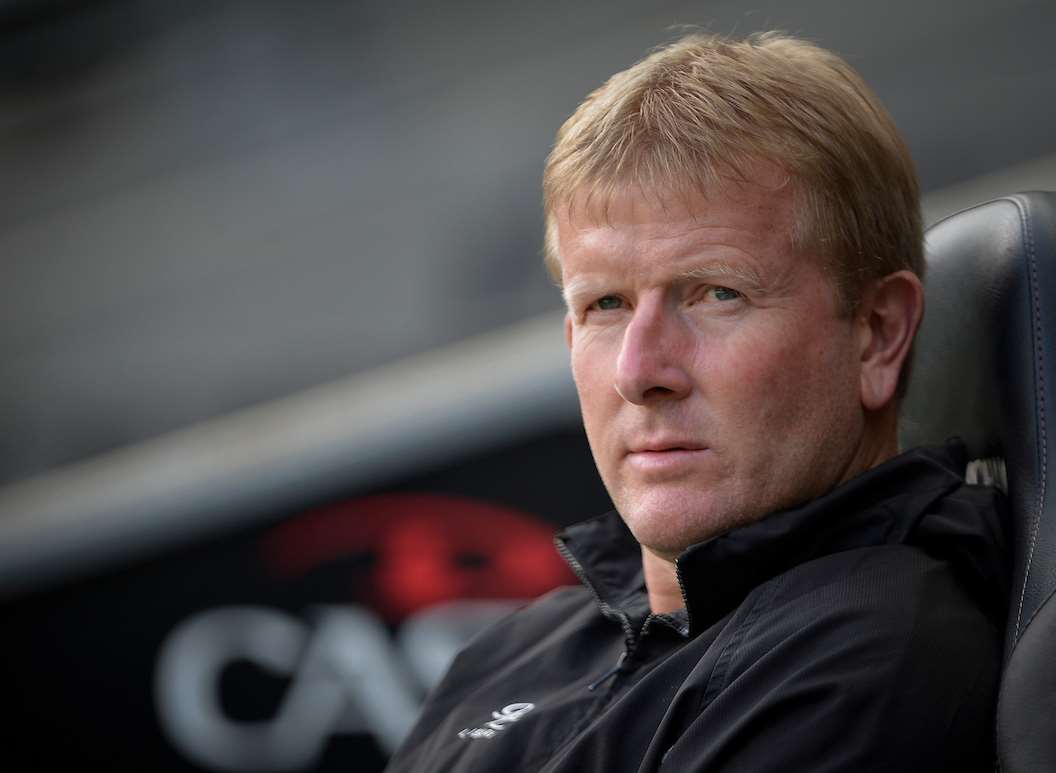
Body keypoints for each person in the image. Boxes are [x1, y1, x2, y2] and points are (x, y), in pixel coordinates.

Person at [385, 32, 1007, 772]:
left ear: (876, 333)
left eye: (717, 293)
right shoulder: (516, 647)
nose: (638, 371)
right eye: (606, 304)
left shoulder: (872, 651)